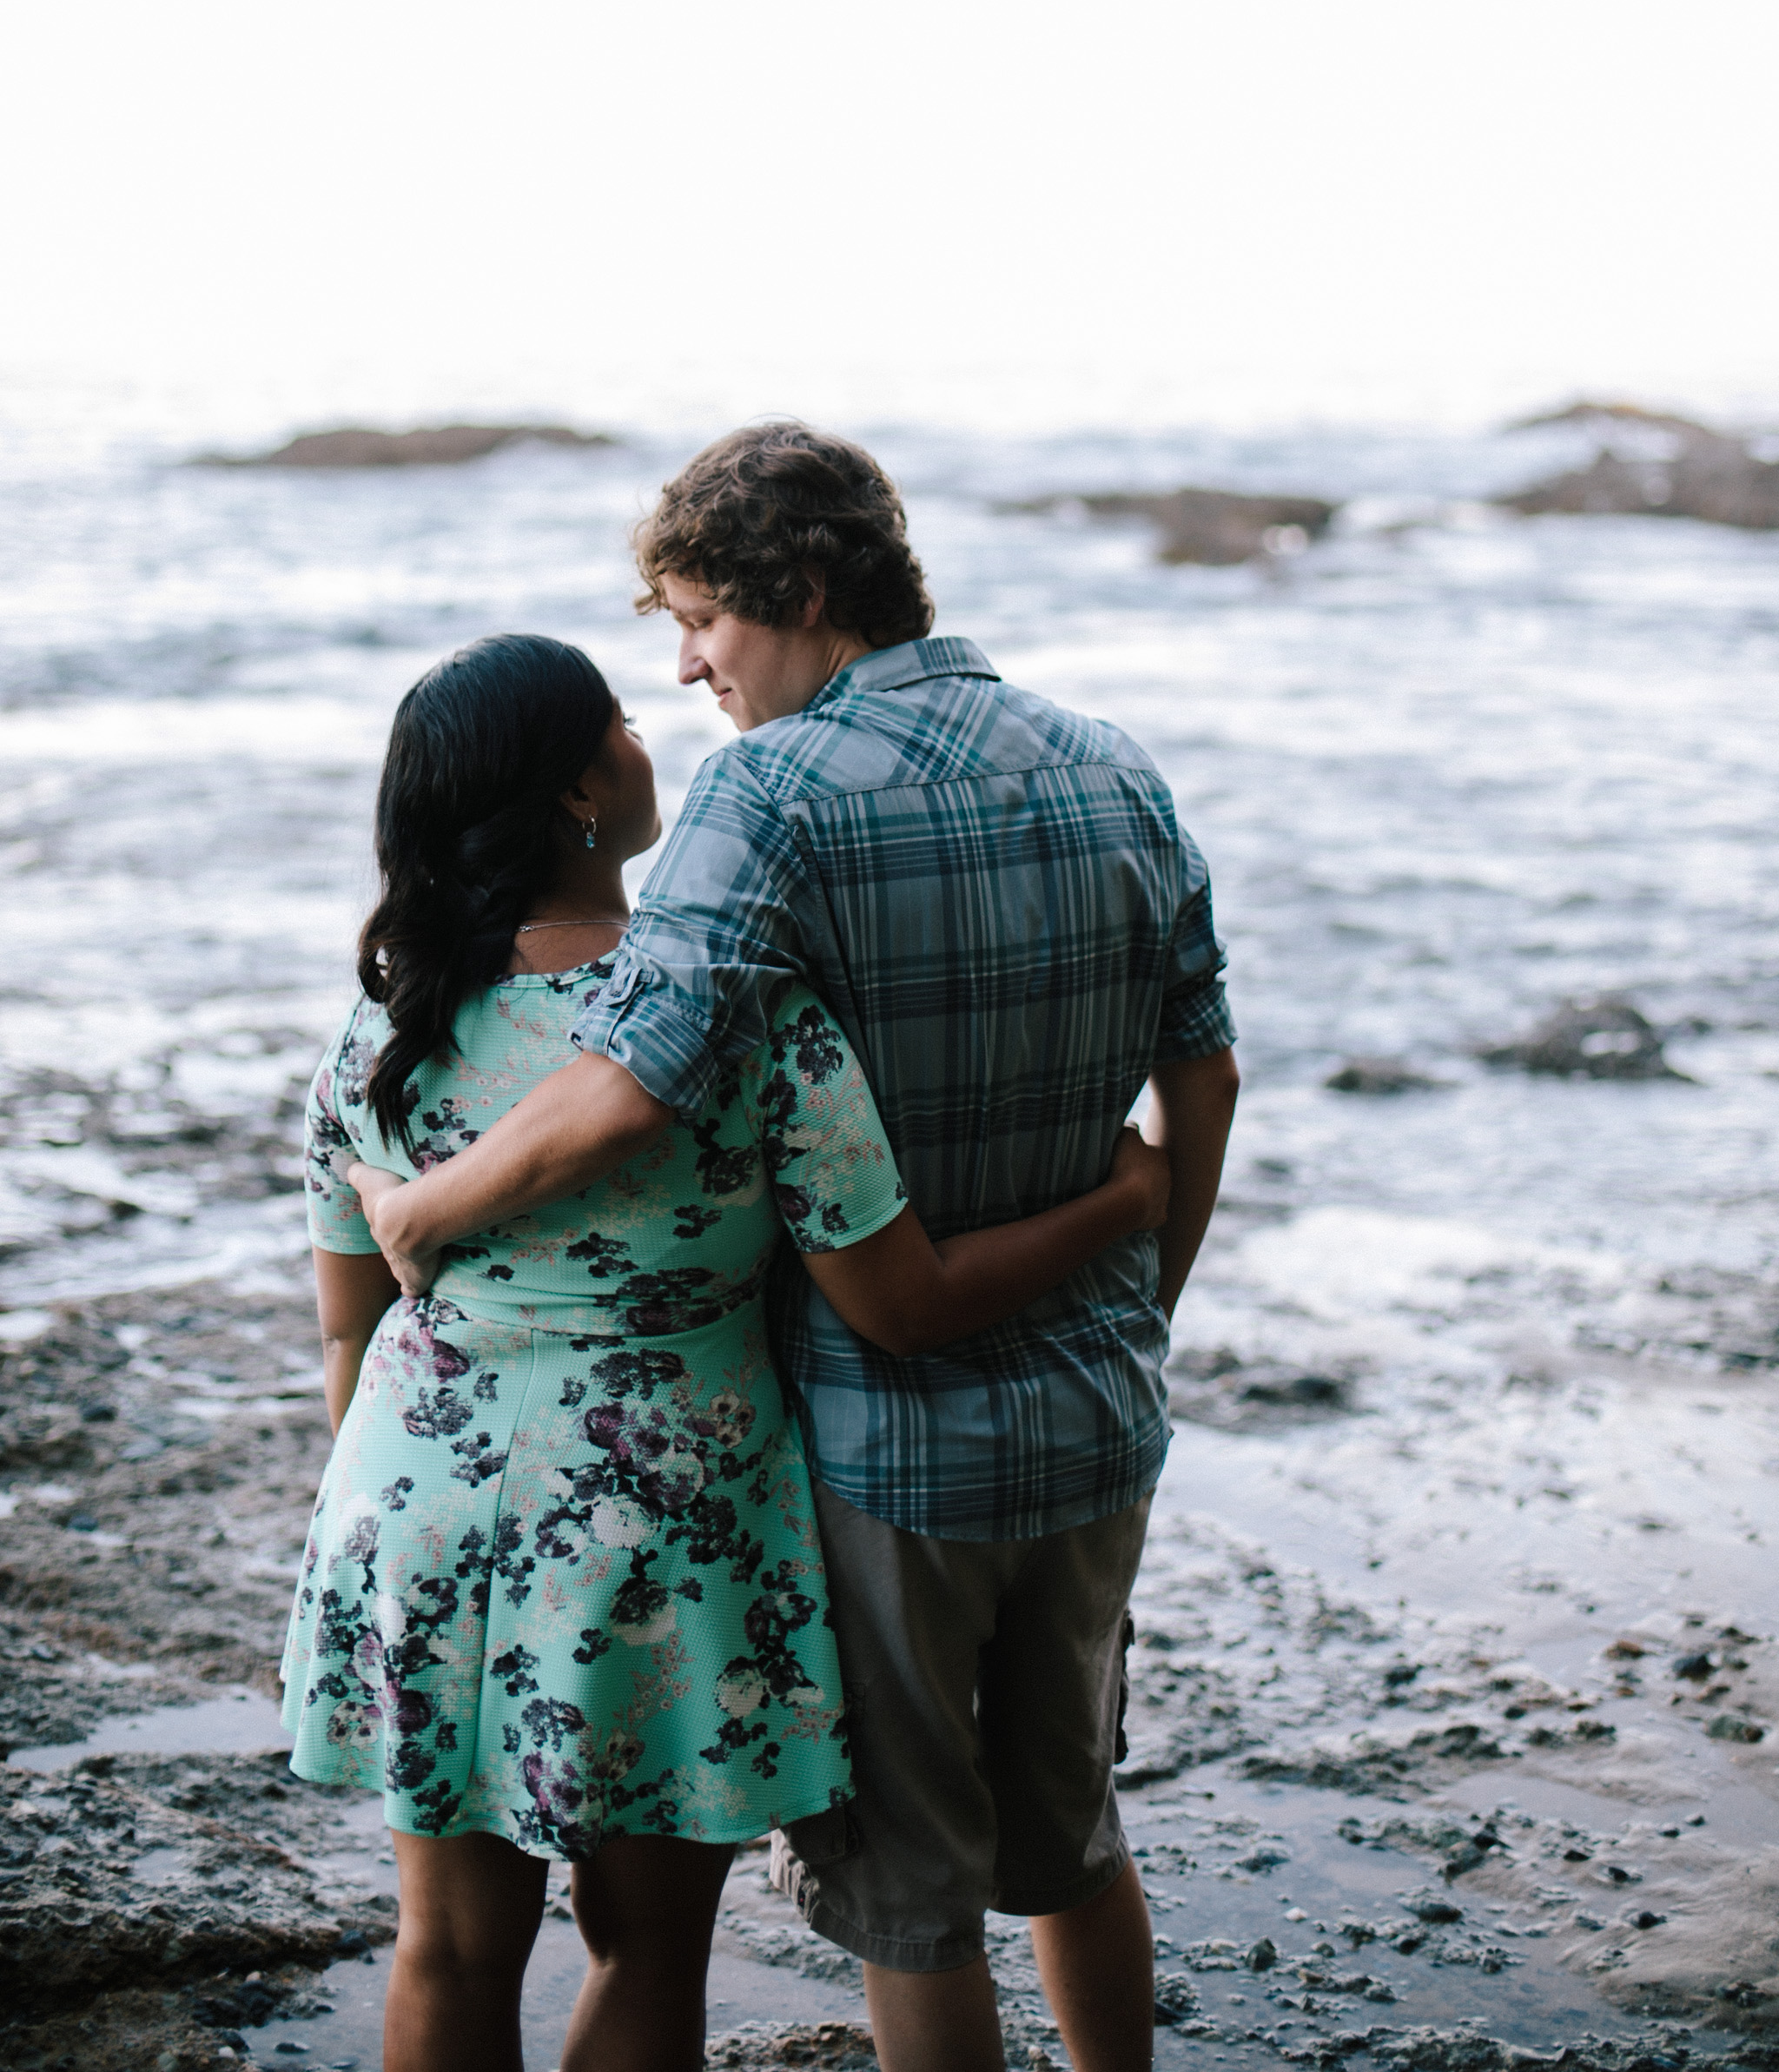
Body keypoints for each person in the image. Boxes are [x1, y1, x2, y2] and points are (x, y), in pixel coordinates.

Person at [353, 427, 1240, 2072]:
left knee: (914, 1898)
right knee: (1079, 1837)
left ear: (804, 594)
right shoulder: (1113, 760)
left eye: (700, 620)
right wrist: (1140, 1297)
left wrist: (422, 1205)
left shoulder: (767, 793)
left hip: (888, 1445)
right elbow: (1204, 1075)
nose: (687, 665)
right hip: (1097, 1418)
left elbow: (626, 1085)